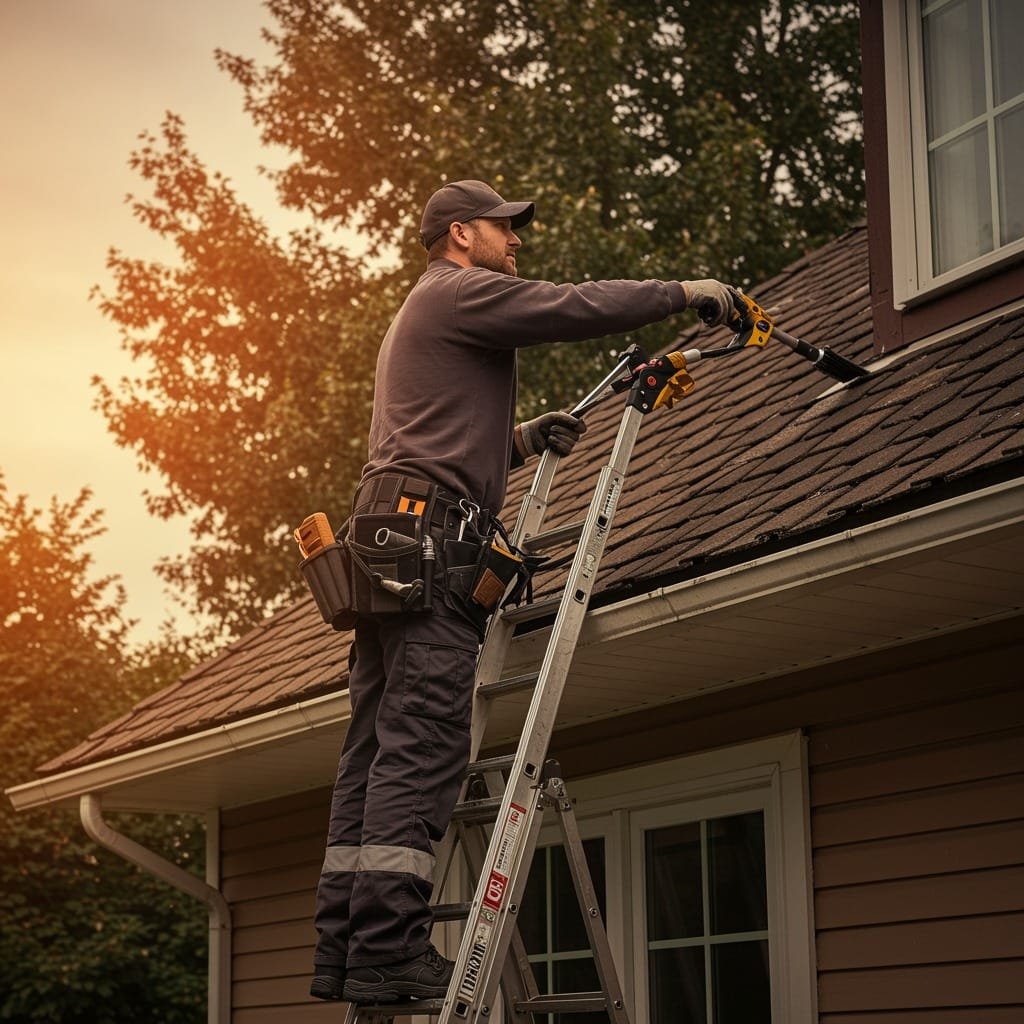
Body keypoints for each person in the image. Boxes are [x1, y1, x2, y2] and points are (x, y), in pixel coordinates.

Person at [310, 179, 734, 1005]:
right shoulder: (462, 290)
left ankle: (347, 949)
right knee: (423, 743)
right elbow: (569, 307)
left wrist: (516, 440)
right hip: (430, 544)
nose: (517, 241)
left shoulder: (426, 309)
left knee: (370, 751)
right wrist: (684, 292)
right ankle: (392, 946)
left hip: (394, 535)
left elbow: (428, 438)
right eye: (506, 228)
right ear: (461, 233)